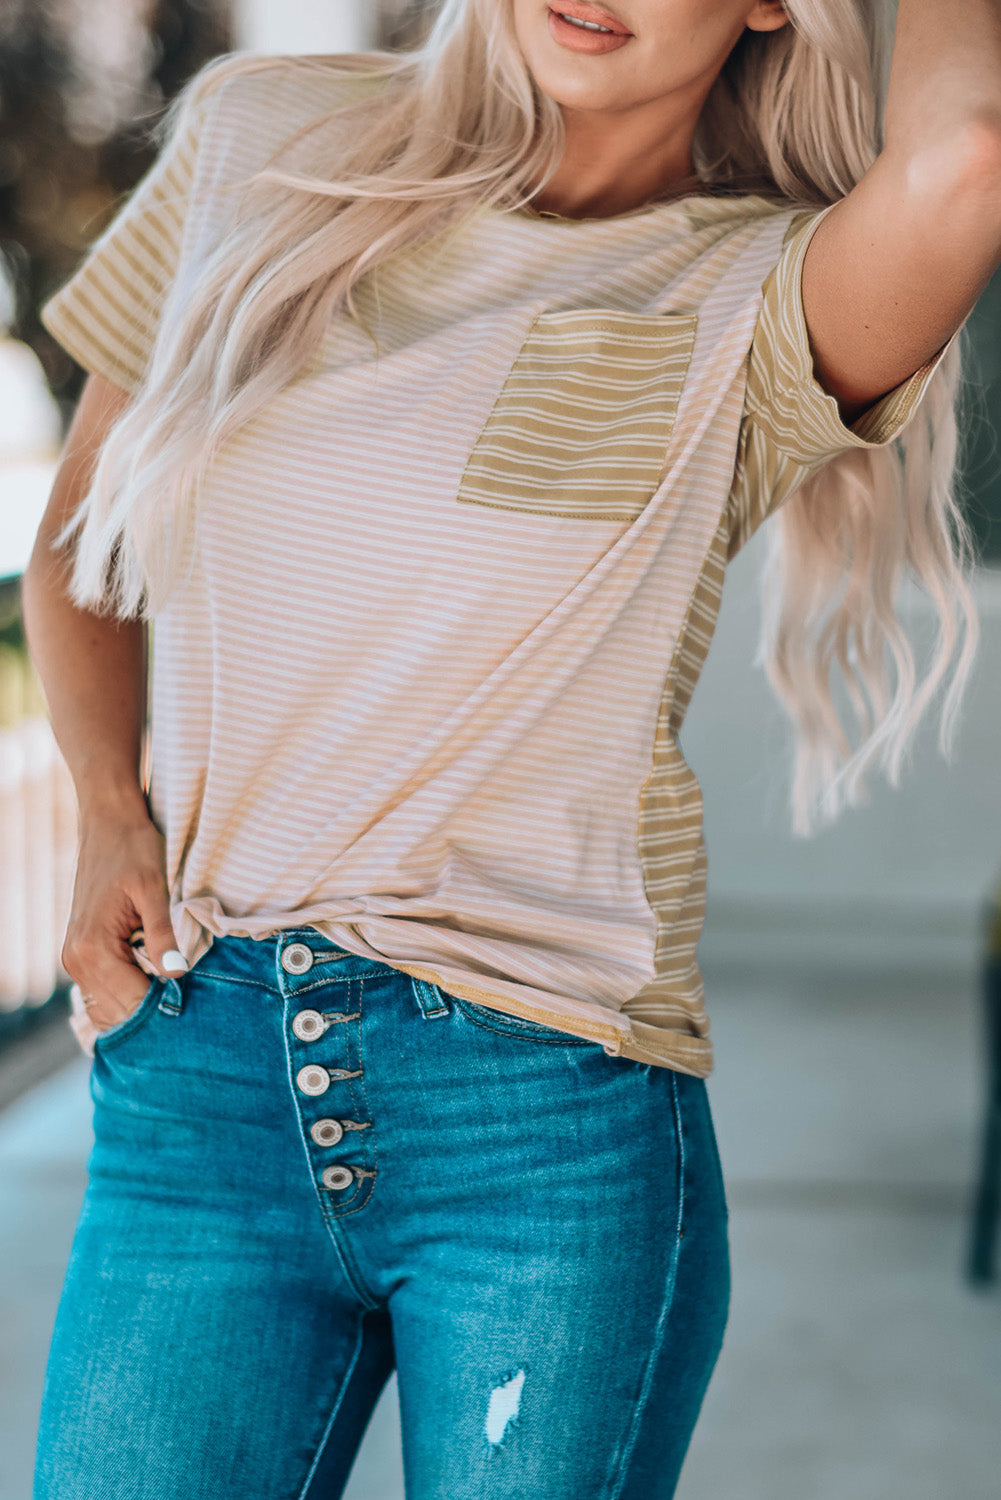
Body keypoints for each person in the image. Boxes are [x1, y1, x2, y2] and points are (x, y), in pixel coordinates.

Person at [22, 1, 1001, 1496]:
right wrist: (107, 814)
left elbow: (964, 162)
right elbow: (84, 548)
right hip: (199, 1086)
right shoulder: (262, 137)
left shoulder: (755, 288)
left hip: (540, 1122)